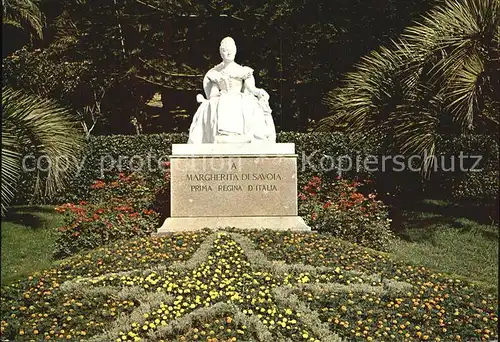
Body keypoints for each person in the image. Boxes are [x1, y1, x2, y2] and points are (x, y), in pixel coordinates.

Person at [187, 37, 276, 144]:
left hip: (239, 96)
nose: (228, 53)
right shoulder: (216, 73)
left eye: (231, 50)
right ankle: (225, 135)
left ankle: (238, 136)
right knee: (218, 102)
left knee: (244, 103)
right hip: (222, 97)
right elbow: (213, 94)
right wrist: (211, 97)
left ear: (235, 51)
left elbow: (251, 88)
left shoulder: (243, 70)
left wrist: (259, 91)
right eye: (225, 50)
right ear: (221, 53)